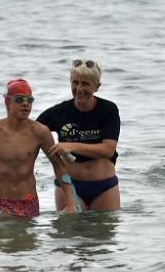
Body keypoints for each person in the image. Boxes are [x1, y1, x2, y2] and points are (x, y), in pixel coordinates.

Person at [0, 78, 77, 217]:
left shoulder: (40, 132)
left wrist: (71, 203)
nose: (25, 104)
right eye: (19, 100)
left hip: (29, 202)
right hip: (1, 202)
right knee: (1, 238)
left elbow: (58, 166)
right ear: (7, 102)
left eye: (30, 100)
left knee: (28, 239)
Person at [37, 59, 121, 211]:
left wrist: (71, 146)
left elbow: (108, 149)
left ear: (97, 87)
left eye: (85, 84)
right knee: (69, 233)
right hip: (69, 185)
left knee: (103, 231)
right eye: (75, 82)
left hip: (105, 187)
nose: (79, 88)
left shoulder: (108, 110)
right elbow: (29, 132)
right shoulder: (59, 112)